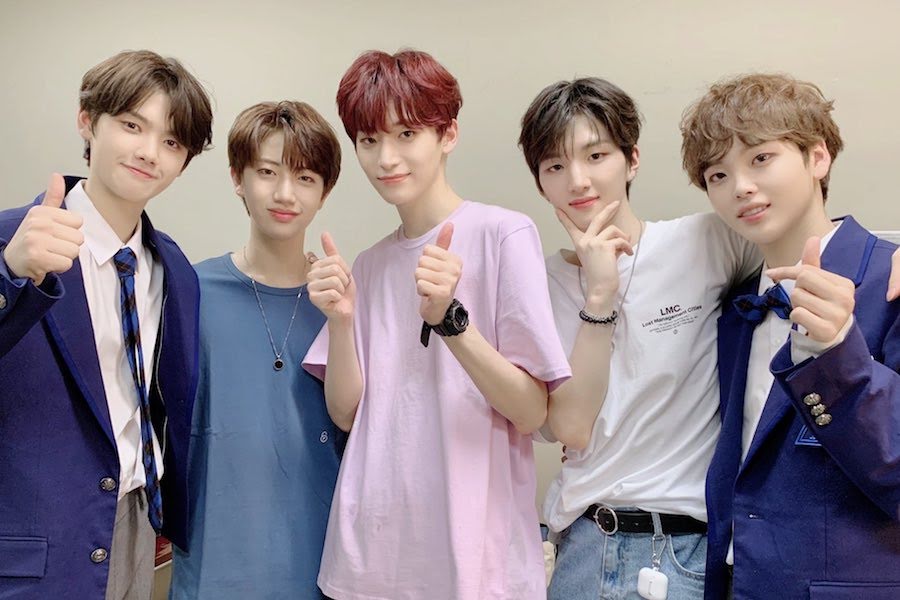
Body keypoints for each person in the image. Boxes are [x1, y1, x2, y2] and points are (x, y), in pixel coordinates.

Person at [302, 49, 571, 599]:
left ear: (447, 134)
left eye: (406, 134)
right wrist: (341, 320)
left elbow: (531, 412)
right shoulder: (371, 265)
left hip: (474, 561)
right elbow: (347, 414)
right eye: (369, 140)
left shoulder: (504, 234)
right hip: (369, 557)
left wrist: (451, 322)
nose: (386, 158)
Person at [518, 77, 759, 599]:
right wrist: (599, 296)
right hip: (581, 546)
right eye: (555, 166)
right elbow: (570, 429)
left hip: (681, 551)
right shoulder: (534, 285)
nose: (578, 180)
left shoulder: (705, 241)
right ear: (540, 183)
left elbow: (805, 239)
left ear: (632, 159)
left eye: (596, 155)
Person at [0, 50, 213, 599]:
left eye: (172, 142)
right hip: (31, 545)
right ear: (87, 120)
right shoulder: (9, 240)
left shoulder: (174, 269)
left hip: (136, 526)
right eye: (132, 125)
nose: (149, 152)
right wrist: (10, 276)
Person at [680, 73, 900, 599]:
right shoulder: (735, 309)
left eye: (760, 158)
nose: (740, 187)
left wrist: (837, 354)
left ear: (818, 157)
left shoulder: (890, 281)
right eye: (717, 174)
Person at [169, 101, 345, 599]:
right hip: (213, 562)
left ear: (324, 192)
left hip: (320, 564)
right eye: (267, 172)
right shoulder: (189, 292)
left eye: (305, 177)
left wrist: (345, 320)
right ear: (237, 178)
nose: (285, 193)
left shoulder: (343, 303)